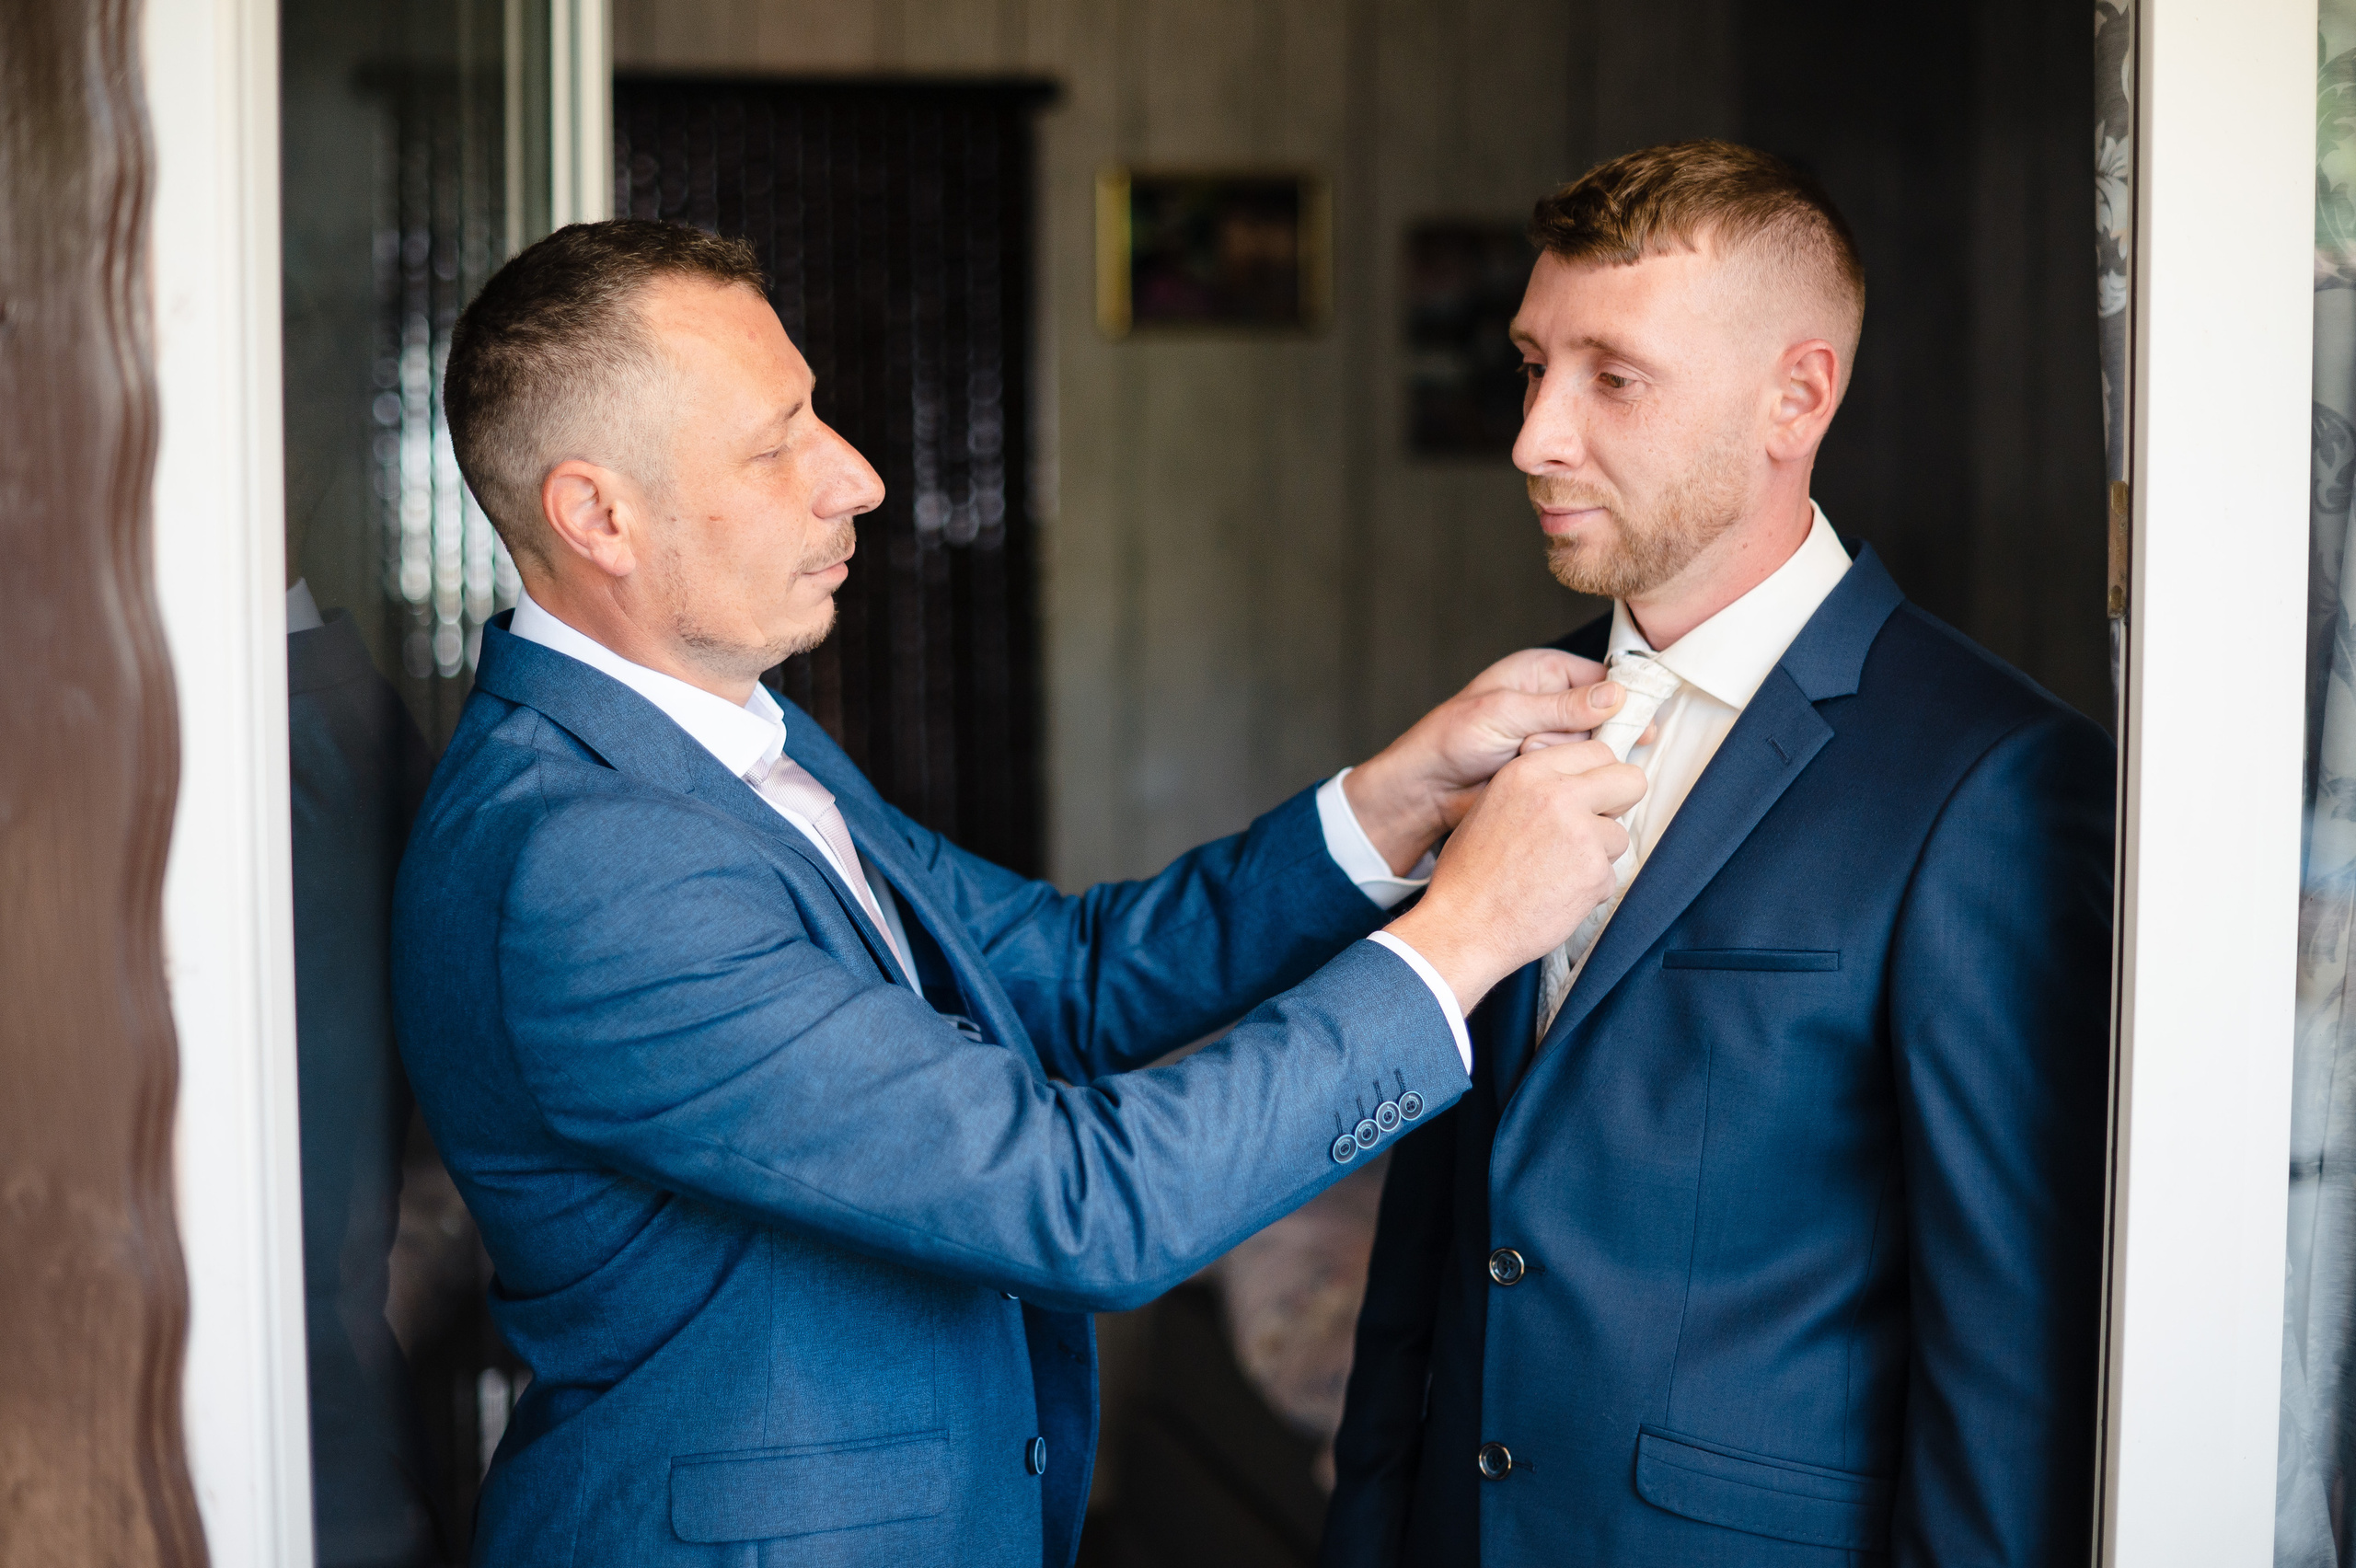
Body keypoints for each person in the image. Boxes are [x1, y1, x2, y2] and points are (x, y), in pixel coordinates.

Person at [390, 219, 1645, 1567]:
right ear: (597, 516)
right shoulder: (590, 864)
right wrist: (1461, 941)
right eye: (777, 443)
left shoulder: (735, 740)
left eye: (816, 414)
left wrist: (1394, 801)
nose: (857, 477)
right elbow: (1082, 1203)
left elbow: (1066, 974)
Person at [1323, 142, 2114, 1567]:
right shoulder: (1505, 719)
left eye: (1611, 379)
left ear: (1796, 398)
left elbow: (2012, 1354)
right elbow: (1433, 1241)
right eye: (1530, 365)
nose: (1534, 438)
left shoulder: (1991, 780)